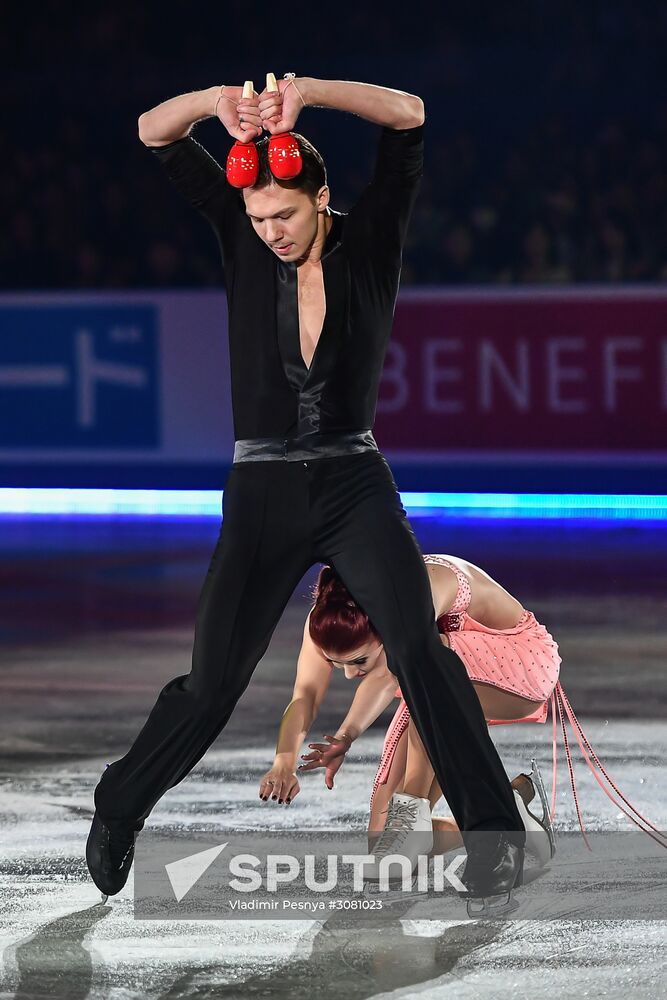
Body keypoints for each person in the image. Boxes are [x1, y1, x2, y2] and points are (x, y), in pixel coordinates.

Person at [86, 73, 526, 914]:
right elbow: (151, 130)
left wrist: (311, 93)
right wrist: (215, 104)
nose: (271, 233)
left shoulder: (372, 237)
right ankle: (120, 804)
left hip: (353, 478)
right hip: (262, 487)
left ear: (320, 198)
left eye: (283, 215)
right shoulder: (241, 232)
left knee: (419, 650)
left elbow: (409, 116)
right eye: (258, 220)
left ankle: (492, 836)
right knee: (213, 682)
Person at [261, 557, 667, 869]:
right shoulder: (332, 618)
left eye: (357, 662)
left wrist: (348, 735)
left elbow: (405, 669)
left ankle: (411, 809)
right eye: (338, 665)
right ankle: (511, 816)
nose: (349, 675)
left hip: (519, 663)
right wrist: (284, 761)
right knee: (381, 842)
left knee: (427, 671)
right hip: (438, 684)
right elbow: (305, 695)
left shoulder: (422, 588)